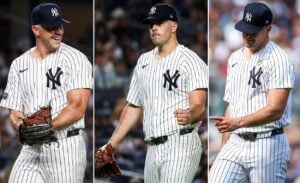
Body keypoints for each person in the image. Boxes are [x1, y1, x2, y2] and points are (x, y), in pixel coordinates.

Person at [100, 3, 208, 183]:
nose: (154, 28)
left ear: (174, 26)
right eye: (151, 24)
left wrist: (190, 115)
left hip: (180, 142)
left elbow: (199, 106)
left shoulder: (190, 60)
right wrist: (112, 143)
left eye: (159, 23)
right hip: (152, 147)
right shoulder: (143, 61)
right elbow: (134, 105)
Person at [0, 3, 92, 183]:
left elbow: (78, 106)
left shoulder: (75, 59)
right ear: (36, 29)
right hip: (31, 149)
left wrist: (48, 126)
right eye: (51, 27)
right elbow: (14, 110)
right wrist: (20, 127)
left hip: (65, 147)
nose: (58, 31)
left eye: (60, 26)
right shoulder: (19, 65)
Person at [209, 2, 295, 183]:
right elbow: (232, 106)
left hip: (267, 143)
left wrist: (237, 123)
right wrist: (224, 147)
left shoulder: (278, 59)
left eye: (253, 31)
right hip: (236, 142)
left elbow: (275, 109)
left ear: (268, 28)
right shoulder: (235, 58)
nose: (247, 35)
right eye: (245, 30)